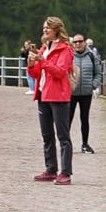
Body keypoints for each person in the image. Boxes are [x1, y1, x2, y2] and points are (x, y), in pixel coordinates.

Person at [27, 17, 76, 185]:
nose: (45, 31)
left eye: (48, 28)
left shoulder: (66, 49)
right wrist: (32, 64)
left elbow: (60, 72)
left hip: (58, 96)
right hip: (42, 94)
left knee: (63, 136)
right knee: (47, 135)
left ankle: (66, 173)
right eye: (43, 29)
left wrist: (43, 61)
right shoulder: (44, 48)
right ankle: (51, 169)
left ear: (56, 29)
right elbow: (36, 75)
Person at [70, 33, 102, 153]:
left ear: (84, 43)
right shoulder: (69, 56)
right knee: (68, 119)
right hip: (71, 94)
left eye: (80, 41)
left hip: (86, 93)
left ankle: (85, 144)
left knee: (84, 118)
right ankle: (66, 145)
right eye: (76, 42)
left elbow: (98, 73)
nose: (78, 44)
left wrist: (93, 85)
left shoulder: (92, 56)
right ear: (73, 44)